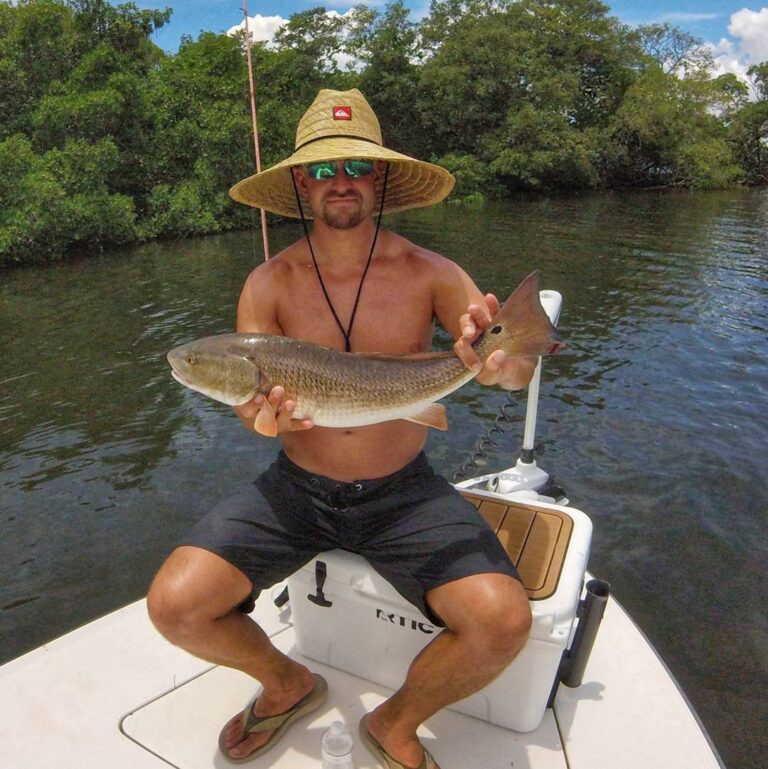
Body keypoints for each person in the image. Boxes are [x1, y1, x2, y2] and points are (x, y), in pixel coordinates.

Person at [147, 88, 536, 769]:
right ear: (301, 182)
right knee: (174, 605)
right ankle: (287, 681)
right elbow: (253, 407)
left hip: (403, 491)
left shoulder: (433, 272)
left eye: (356, 166)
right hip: (298, 489)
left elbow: (508, 360)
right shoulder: (267, 283)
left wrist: (504, 364)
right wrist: (259, 416)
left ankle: (395, 720)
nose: (341, 182)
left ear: (379, 177)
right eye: (323, 170)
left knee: (504, 621)